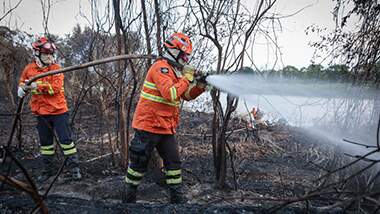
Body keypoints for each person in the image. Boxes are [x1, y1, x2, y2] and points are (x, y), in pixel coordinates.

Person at [123, 32, 207, 203]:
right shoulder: (160, 68)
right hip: (148, 125)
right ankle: (128, 198)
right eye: (184, 54)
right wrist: (187, 77)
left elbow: (186, 96)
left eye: (187, 55)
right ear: (174, 51)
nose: (186, 58)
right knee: (138, 165)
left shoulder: (175, 72)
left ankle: (177, 200)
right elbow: (170, 93)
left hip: (166, 127)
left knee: (174, 164)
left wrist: (200, 85)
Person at [17, 36, 81, 182]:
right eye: (46, 54)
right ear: (37, 53)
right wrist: (22, 89)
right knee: (46, 144)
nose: (50, 57)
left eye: (51, 54)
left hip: (59, 112)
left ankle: (74, 169)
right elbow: (22, 82)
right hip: (41, 113)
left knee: (66, 141)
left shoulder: (56, 68)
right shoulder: (29, 69)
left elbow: (56, 88)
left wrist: (37, 86)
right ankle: (47, 171)